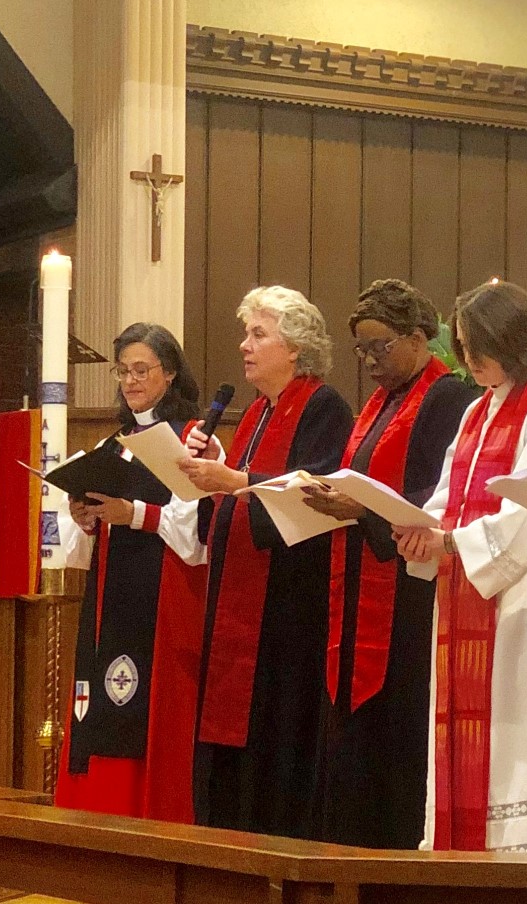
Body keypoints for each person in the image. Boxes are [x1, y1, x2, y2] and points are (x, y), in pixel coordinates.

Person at [390, 280, 527, 854]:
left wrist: (449, 543)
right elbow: (448, 494)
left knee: (518, 741)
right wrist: (419, 529)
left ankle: (523, 866)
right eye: (462, 346)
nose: (469, 360)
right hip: (468, 589)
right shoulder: (479, 409)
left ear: (514, 340)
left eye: (478, 346)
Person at [301, 279, 477, 848]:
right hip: (360, 578)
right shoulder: (382, 402)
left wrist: (359, 508)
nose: (370, 361)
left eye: (381, 346)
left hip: (409, 589)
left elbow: (437, 496)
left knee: (395, 730)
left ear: (419, 337)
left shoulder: (446, 396)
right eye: (362, 350)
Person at [181, 286, 354, 837]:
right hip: (239, 603)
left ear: (296, 347)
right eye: (246, 334)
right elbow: (241, 496)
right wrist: (218, 468)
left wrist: (234, 479)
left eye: (258, 334)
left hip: (288, 608)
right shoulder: (257, 411)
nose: (244, 345)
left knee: (278, 736)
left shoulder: (323, 406)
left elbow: (315, 495)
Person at [53, 322, 207, 821]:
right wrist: (87, 518)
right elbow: (85, 542)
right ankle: (98, 819)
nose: (131, 380)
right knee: (102, 701)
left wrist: (132, 513)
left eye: (142, 369)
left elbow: (198, 534)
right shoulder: (114, 443)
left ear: (170, 373)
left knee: (149, 711)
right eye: (123, 371)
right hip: (109, 598)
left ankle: (151, 821)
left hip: (164, 599)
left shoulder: (193, 441)